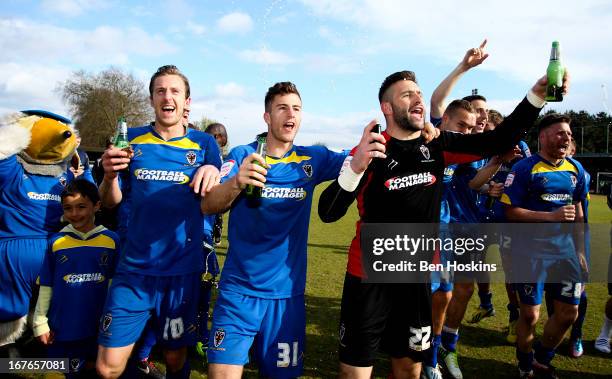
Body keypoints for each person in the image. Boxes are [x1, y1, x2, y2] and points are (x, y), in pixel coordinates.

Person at [318, 66, 559, 378]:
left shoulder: (439, 145)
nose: (418, 98)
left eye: (419, 92)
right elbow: (328, 212)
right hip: (368, 280)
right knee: (355, 373)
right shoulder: (369, 150)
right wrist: (357, 166)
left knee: (409, 369)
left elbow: (499, 138)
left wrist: (536, 96)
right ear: (387, 108)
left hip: (415, 281)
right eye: (407, 95)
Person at [200, 81, 350, 379]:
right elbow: (208, 205)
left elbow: (358, 158)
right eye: (282, 108)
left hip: (286, 298)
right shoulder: (244, 154)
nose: (290, 114)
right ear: (267, 117)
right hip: (238, 293)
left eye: (296, 108)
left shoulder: (313, 158)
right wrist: (237, 182)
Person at [96, 65, 221, 379]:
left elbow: (217, 193)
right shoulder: (131, 140)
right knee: (107, 366)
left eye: (175, 91)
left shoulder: (205, 144)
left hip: (181, 272)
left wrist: (214, 171)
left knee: (175, 357)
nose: (168, 96)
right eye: (160, 91)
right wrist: (109, 176)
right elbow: (110, 201)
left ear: (186, 101)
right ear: (152, 99)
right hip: (133, 269)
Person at [502, 113, 587, 378]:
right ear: (543, 136)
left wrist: (581, 251)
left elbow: (579, 212)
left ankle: (541, 358)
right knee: (530, 316)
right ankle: (525, 363)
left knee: (568, 313)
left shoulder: (576, 169)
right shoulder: (524, 168)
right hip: (530, 254)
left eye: (569, 135)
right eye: (561, 133)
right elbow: (510, 211)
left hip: (566, 255)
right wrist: (549, 217)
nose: (567, 138)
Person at [32, 179, 119, 377]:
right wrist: (39, 322)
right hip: (61, 328)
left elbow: (115, 284)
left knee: (95, 369)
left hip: (97, 326)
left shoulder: (112, 240)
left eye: (81, 207)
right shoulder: (56, 242)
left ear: (97, 205)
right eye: (68, 208)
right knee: (60, 370)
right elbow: (46, 284)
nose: (74, 213)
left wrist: (114, 317)